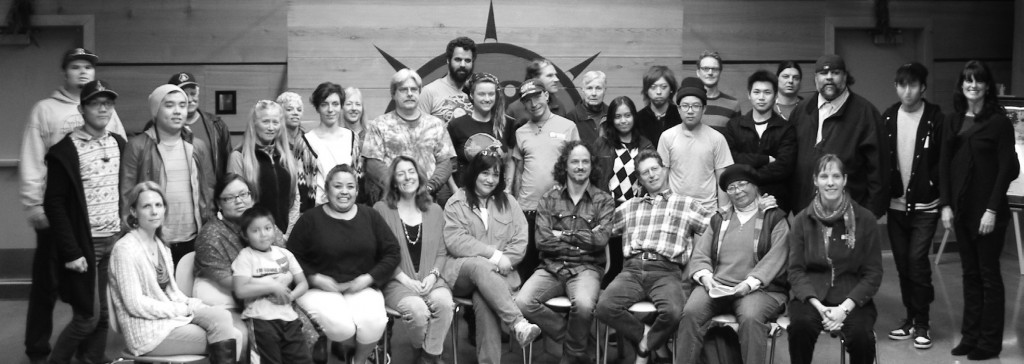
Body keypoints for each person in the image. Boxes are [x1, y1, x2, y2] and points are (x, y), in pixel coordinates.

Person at [19, 48, 126, 363]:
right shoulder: (48, 115)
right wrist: (33, 205)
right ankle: (40, 351)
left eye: (88, 67)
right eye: (76, 67)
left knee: (98, 309)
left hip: (106, 229)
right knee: (55, 293)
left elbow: (122, 165)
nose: (83, 72)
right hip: (66, 223)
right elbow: (34, 162)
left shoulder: (113, 130)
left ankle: (89, 357)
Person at [595, 150, 713, 364]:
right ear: (639, 179)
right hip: (631, 270)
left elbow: (718, 227)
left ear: (664, 170)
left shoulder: (685, 204)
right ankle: (647, 336)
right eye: (645, 173)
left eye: (654, 169)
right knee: (604, 306)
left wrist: (758, 205)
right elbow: (601, 229)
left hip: (666, 271)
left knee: (674, 311)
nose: (651, 175)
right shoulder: (629, 207)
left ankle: (644, 347)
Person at [108, 182, 242, 363]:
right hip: (147, 333)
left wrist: (193, 305)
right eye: (147, 206)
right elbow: (135, 304)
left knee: (222, 316)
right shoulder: (125, 249)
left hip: (169, 320)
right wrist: (181, 309)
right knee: (229, 335)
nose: (154, 211)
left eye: (159, 205)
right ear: (133, 211)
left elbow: (173, 293)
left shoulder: (161, 244)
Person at [939, 60, 1019, 361]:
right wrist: (945, 205)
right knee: (969, 275)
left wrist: (991, 210)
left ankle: (990, 342)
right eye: (967, 81)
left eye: (978, 81)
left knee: (989, 277)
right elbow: (944, 165)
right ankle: (970, 336)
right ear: (961, 85)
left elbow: (1006, 169)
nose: (972, 85)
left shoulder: (998, 122)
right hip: (960, 210)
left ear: (987, 86)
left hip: (988, 214)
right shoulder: (953, 120)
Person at [43, 80, 126, 364]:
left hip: (112, 240)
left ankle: (91, 359)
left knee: (102, 315)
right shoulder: (64, 152)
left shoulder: (118, 144)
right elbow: (53, 204)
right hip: (84, 245)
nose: (103, 108)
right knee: (86, 317)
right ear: (82, 109)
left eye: (108, 103)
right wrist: (72, 251)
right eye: (95, 103)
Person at [676, 164, 789, 364]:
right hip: (717, 285)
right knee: (691, 312)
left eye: (743, 184)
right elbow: (700, 254)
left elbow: (777, 256)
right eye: (732, 187)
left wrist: (748, 284)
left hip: (760, 290)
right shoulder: (719, 218)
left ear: (755, 186)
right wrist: (706, 277)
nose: (738, 191)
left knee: (751, 317)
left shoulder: (774, 217)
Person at [288, 164, 401, 364]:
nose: (344, 192)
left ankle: (359, 360)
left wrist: (369, 278)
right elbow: (291, 256)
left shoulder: (370, 216)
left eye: (350, 186)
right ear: (327, 190)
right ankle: (339, 356)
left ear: (357, 191)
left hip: (361, 286)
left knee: (374, 323)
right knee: (343, 326)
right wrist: (314, 277)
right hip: (318, 288)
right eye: (338, 186)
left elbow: (392, 252)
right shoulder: (310, 219)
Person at [515, 140, 614, 364]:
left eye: (585, 162)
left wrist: (561, 235)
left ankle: (570, 356)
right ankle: (578, 344)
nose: (580, 166)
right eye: (575, 161)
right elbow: (542, 241)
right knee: (522, 302)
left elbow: (600, 240)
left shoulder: (604, 200)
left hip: (586, 268)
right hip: (551, 267)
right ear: (565, 166)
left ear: (592, 165)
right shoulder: (548, 199)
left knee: (585, 304)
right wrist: (583, 236)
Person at [443, 150, 543, 363]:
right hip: (462, 274)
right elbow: (455, 241)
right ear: (474, 173)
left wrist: (497, 266)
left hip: (498, 278)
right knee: (480, 266)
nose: (490, 179)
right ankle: (517, 323)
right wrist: (495, 257)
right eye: (485, 173)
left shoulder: (509, 202)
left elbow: (520, 241)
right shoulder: (456, 202)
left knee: (484, 298)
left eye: (495, 175)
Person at [787, 154, 883, 364]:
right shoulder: (802, 220)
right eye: (824, 176)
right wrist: (819, 308)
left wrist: (843, 309)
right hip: (812, 297)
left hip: (852, 297)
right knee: (800, 328)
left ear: (845, 180)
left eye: (836, 176)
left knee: (861, 337)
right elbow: (795, 270)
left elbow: (873, 273)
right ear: (815, 180)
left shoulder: (865, 219)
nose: (830, 182)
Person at [881, 62, 945, 350]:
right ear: (896, 87)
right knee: (904, 265)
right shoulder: (888, 117)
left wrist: (942, 196)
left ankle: (923, 322)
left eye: (913, 85)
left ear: (923, 88)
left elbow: (943, 161)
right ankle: (910, 318)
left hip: (926, 207)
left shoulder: (935, 118)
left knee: (918, 263)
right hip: (896, 207)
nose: (907, 91)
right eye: (902, 84)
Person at [121, 84, 216, 265]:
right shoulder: (138, 146)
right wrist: (129, 231)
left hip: (193, 238)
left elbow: (209, 189)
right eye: (169, 105)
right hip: (153, 237)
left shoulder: (198, 146)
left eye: (182, 105)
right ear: (156, 110)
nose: (178, 111)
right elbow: (127, 195)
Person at [194, 174, 286, 357]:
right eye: (230, 198)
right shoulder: (211, 234)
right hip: (230, 302)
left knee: (300, 328)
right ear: (219, 203)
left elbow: (285, 261)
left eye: (244, 194)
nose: (239, 201)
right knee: (263, 334)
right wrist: (271, 285)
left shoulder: (264, 223)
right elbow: (231, 283)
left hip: (273, 295)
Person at [373, 156, 453, 364]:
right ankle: (428, 352)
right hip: (396, 281)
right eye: (401, 173)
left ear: (419, 176)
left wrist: (434, 276)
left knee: (444, 303)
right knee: (418, 310)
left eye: (411, 172)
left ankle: (428, 357)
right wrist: (407, 281)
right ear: (394, 181)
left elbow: (442, 252)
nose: (407, 177)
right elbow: (379, 254)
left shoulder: (435, 210)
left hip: (431, 278)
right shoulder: (381, 210)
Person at [789, 55, 888, 217]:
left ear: (845, 77)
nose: (829, 78)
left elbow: (879, 170)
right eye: (823, 74)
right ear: (815, 79)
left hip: (850, 214)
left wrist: (871, 213)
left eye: (835, 73)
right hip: (806, 214)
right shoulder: (802, 111)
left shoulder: (865, 113)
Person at [509, 78, 581, 280]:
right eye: (528, 100)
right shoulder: (520, 132)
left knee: (556, 266)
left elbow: (577, 167)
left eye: (537, 96)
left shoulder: (568, 127)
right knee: (526, 265)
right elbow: (519, 170)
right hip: (527, 210)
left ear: (546, 95)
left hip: (558, 210)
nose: (533, 104)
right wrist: (514, 202)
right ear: (523, 104)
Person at [231, 207, 311, 364]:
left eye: (267, 228)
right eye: (255, 230)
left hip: (289, 319)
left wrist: (290, 296)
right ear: (244, 235)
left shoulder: (284, 254)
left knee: (303, 360)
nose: (263, 234)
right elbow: (240, 290)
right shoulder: (246, 256)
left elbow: (303, 283)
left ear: (274, 229)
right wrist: (272, 287)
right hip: (261, 320)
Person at [363, 69, 456, 203]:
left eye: (414, 89)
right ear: (393, 94)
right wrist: (397, 187)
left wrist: (429, 187)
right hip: (391, 201)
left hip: (428, 199)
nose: (410, 94)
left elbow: (446, 162)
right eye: (403, 90)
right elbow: (373, 164)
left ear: (419, 92)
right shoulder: (379, 125)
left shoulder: (436, 125)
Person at [593, 96, 655, 286]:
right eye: (618, 116)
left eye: (627, 115)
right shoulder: (602, 143)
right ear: (611, 119)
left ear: (634, 117)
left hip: (636, 210)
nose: (623, 120)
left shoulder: (645, 144)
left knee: (631, 258)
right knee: (611, 262)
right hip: (609, 208)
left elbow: (653, 176)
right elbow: (593, 176)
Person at [722, 70, 797, 213]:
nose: (761, 97)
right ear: (749, 95)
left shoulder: (786, 128)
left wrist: (747, 176)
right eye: (756, 92)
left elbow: (784, 166)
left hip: (776, 201)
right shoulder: (734, 126)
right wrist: (765, 159)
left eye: (767, 92)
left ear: (775, 96)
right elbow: (732, 159)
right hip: (740, 200)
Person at [658, 79, 734, 211]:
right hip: (675, 208)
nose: (690, 111)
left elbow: (722, 179)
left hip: (707, 209)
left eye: (696, 106)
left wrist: (723, 211)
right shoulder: (667, 137)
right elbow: (663, 177)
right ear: (679, 109)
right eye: (685, 106)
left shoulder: (717, 138)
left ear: (704, 109)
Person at [228, 100, 300, 234]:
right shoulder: (239, 157)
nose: (271, 127)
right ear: (254, 124)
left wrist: (288, 235)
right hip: (256, 237)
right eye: (266, 121)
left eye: (275, 122)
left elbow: (295, 199)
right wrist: (271, 235)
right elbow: (238, 206)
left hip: (287, 237)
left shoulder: (287, 156)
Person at [448, 72, 513, 186]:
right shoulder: (457, 125)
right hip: (465, 194)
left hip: (497, 195)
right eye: (482, 94)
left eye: (491, 94)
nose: (487, 99)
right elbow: (447, 163)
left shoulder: (506, 124)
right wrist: (455, 191)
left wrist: (508, 189)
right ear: (472, 95)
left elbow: (509, 162)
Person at [168, 72, 233, 183]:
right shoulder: (162, 126)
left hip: (212, 196)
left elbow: (228, 165)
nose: (189, 99)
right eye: (183, 94)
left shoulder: (217, 125)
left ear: (198, 93)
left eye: (193, 93)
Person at [302, 82, 358, 208]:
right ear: (317, 108)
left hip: (348, 208)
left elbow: (357, 178)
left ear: (341, 106)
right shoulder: (306, 141)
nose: (330, 110)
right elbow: (303, 187)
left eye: (335, 104)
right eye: (324, 104)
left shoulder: (352, 138)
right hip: (318, 210)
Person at [277, 91, 318, 213]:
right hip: (283, 204)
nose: (295, 113)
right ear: (279, 112)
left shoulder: (309, 141)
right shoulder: (273, 143)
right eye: (289, 109)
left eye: (299, 110)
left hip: (308, 205)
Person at [419, 36, 476, 123]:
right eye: (458, 59)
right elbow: (418, 131)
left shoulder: (478, 94)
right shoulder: (429, 92)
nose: (463, 65)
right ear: (448, 60)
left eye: (467, 60)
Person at [507, 59, 571, 130]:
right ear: (535, 79)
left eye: (555, 75)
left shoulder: (558, 105)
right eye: (550, 76)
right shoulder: (515, 110)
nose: (556, 79)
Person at [634, 66, 681, 148]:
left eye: (663, 87)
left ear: (671, 89)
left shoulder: (680, 116)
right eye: (653, 87)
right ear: (646, 90)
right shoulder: (638, 119)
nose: (658, 92)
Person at [694, 51, 741, 131]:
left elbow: (736, 138)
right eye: (706, 69)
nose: (710, 72)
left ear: (720, 72)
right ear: (698, 72)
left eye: (715, 69)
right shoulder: (688, 103)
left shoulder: (733, 104)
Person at [568, 71, 609, 145]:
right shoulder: (571, 118)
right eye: (589, 88)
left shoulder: (613, 115)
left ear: (605, 90)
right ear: (583, 90)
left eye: (598, 88)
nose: (594, 93)